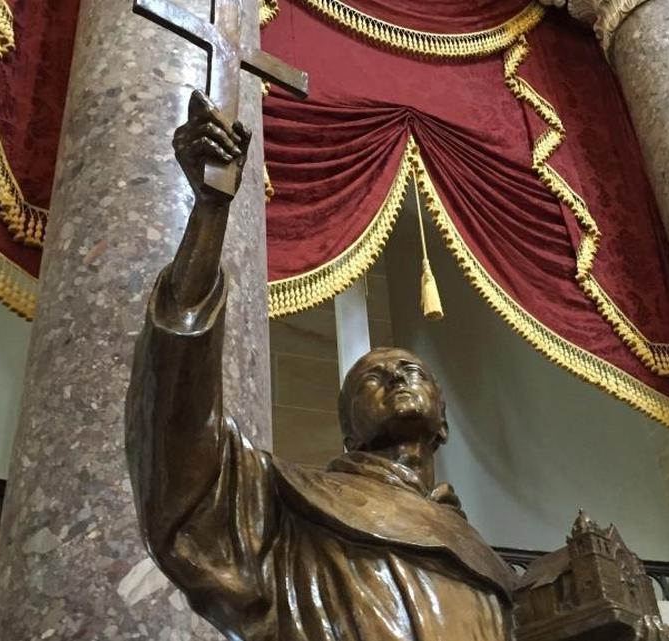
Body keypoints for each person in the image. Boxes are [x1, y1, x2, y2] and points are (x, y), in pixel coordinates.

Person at [125, 90, 514, 641]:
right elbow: (179, 436)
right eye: (370, 379)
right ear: (349, 429)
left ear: (444, 422)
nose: (396, 377)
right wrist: (211, 213)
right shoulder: (292, 506)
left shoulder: (483, 560)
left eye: (412, 371)